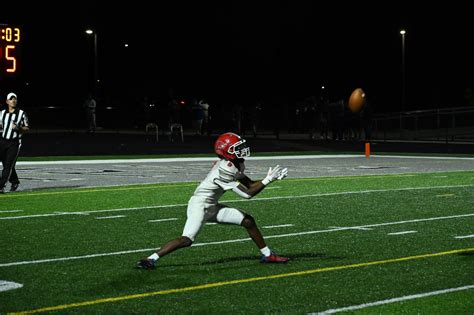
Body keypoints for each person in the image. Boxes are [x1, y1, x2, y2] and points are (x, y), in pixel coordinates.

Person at [137, 132, 289, 269]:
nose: (241, 149)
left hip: (211, 205)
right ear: (226, 151)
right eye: (236, 148)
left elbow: (249, 184)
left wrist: (269, 179)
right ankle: (150, 259)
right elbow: (247, 194)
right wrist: (268, 180)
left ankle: (268, 255)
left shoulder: (237, 164)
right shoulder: (225, 169)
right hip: (200, 206)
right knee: (187, 240)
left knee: (248, 221)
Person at [0, 93, 29, 193]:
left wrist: (18, 128)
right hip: (3, 141)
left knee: (8, 165)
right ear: (7, 101)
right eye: (11, 99)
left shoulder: (21, 113)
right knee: (6, 164)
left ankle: (1, 186)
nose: (13, 101)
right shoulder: (2, 113)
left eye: (15, 99)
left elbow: (27, 128)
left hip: (14, 142)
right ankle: (14, 181)